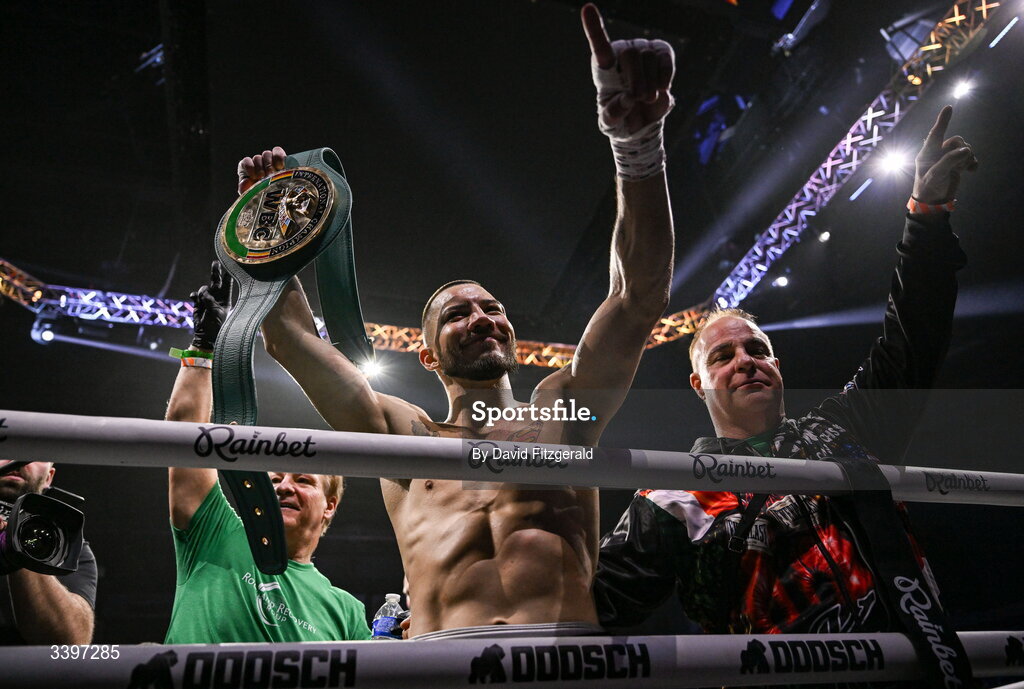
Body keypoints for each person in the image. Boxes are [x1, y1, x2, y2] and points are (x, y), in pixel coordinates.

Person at [235, 4, 675, 638]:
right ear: (428, 355)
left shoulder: (563, 413)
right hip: (440, 661)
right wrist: (272, 221)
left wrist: (637, 146)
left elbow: (637, 299)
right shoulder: (402, 434)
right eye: (457, 313)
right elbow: (290, 338)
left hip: (564, 659)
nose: (482, 318)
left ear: (514, 339)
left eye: (492, 308)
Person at [594, 106, 979, 637]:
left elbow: (915, 330)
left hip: (922, 664)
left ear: (776, 364)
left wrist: (928, 214)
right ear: (697, 384)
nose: (744, 361)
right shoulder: (672, 494)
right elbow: (594, 605)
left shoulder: (846, 430)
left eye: (755, 349)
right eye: (722, 357)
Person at [163, 263, 370, 643]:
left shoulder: (347, 611)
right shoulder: (215, 531)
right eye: (273, 479)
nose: (284, 487)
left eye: (304, 480)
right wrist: (205, 346)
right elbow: (184, 433)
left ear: (330, 505)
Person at [0, 460, 96, 644]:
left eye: (33, 452)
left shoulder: (65, 550)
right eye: (6, 448)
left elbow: (71, 643)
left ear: (49, 477)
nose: (16, 460)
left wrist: (19, 538)